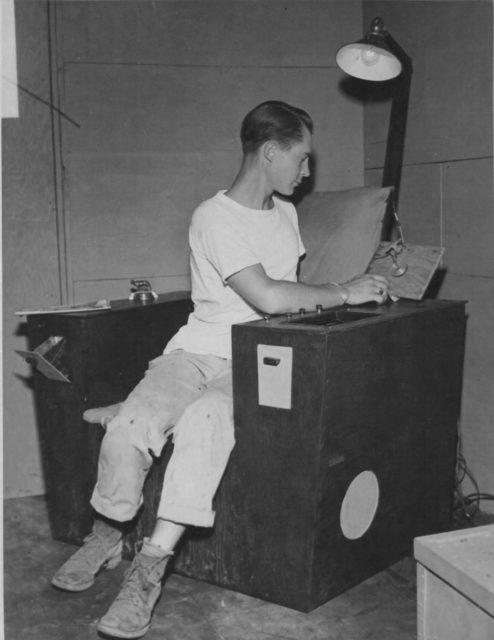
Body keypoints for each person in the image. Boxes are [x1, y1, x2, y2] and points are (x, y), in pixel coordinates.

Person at [51, 100, 388, 638]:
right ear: (271, 152)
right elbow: (271, 295)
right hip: (195, 350)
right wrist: (345, 290)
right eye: (301, 159)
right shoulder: (213, 216)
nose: (306, 174)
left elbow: (292, 299)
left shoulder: (287, 215)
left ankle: (149, 570)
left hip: (253, 357)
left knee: (208, 420)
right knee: (130, 427)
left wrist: (351, 292)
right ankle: (108, 533)